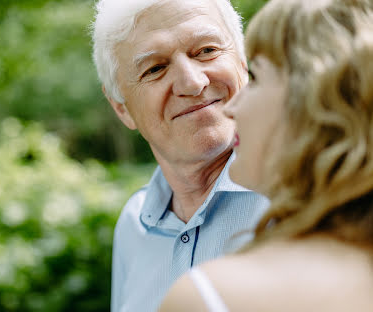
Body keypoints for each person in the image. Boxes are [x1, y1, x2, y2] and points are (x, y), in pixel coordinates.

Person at [160, 0, 373, 311]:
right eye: (155, 68)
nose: (232, 107)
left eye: (256, 77)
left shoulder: (211, 296)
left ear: (311, 100)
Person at [91, 0, 269, 311]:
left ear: (243, 63)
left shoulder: (309, 197)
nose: (193, 82)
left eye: (206, 51)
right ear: (121, 108)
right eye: (155, 68)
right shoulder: (134, 226)